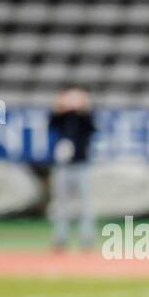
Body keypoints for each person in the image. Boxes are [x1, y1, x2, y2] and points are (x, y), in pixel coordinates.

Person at [47, 85, 96, 251]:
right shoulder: (61, 117)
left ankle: (87, 239)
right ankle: (60, 239)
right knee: (61, 205)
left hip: (81, 165)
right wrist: (61, 107)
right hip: (63, 166)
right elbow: (51, 123)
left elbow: (91, 128)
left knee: (86, 205)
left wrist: (82, 109)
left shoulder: (85, 117)